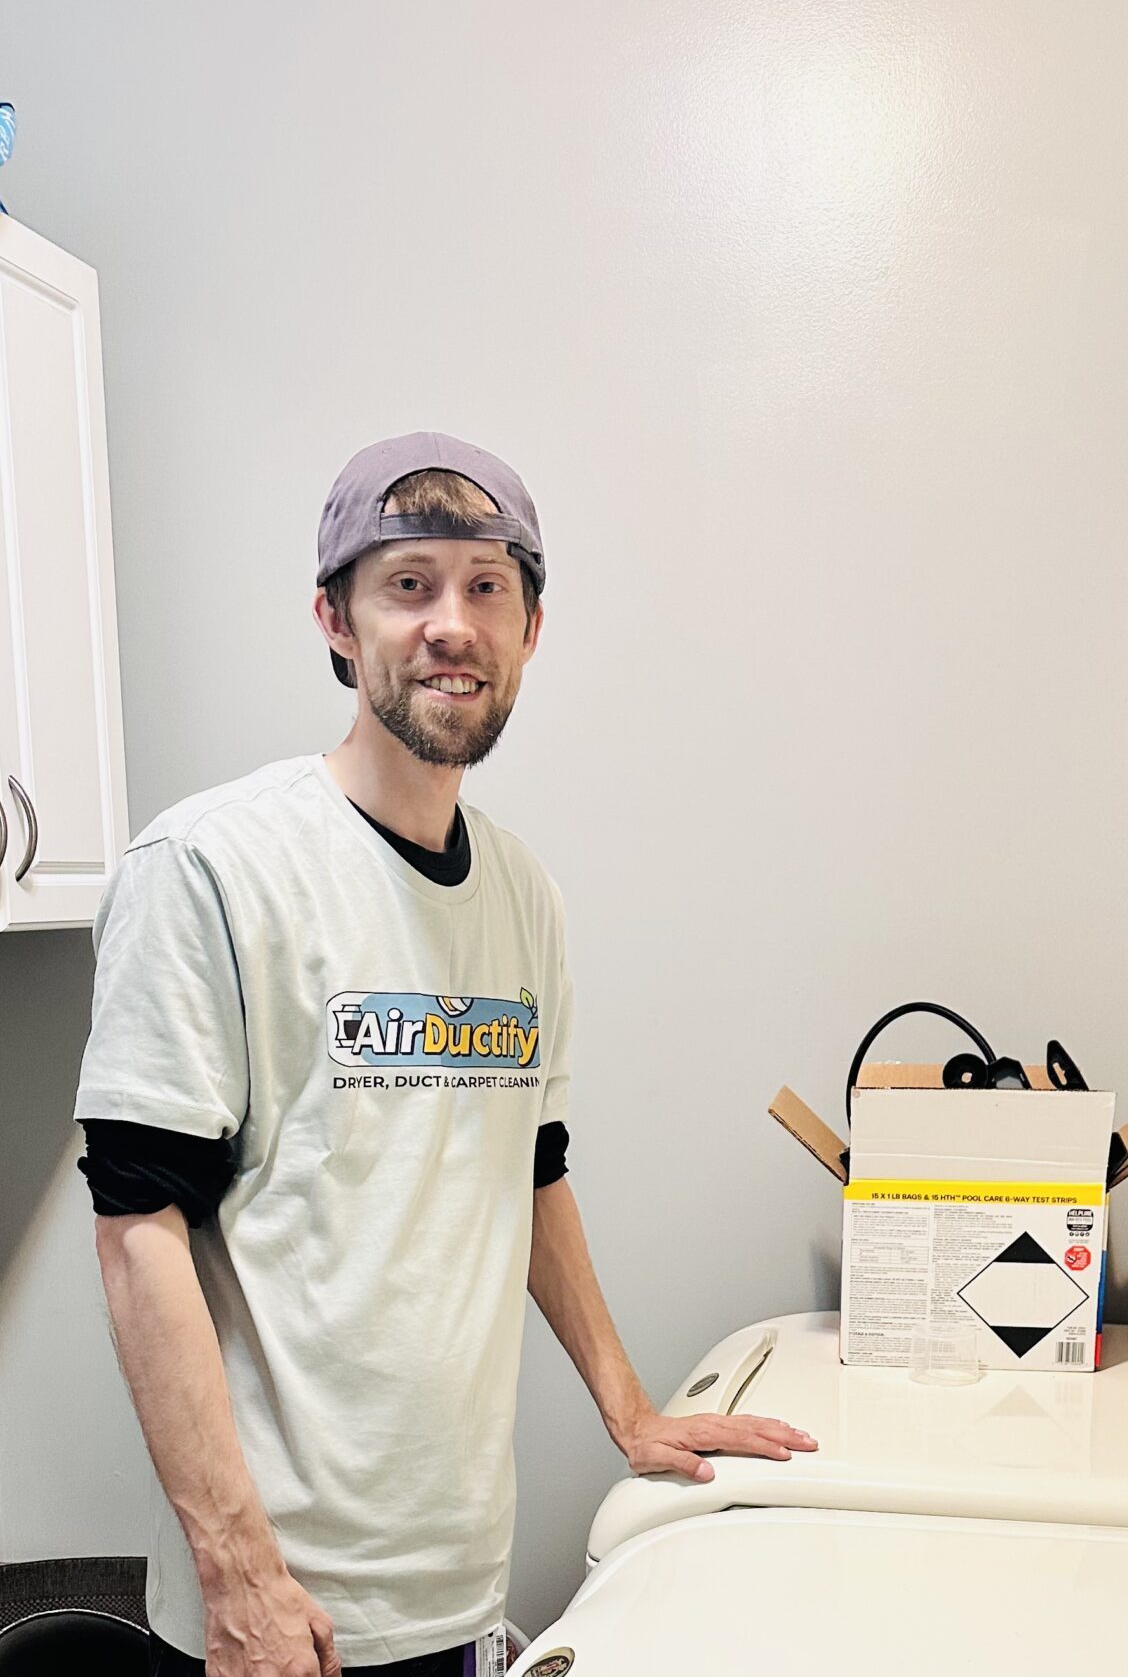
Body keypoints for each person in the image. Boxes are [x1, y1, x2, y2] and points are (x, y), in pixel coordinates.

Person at [74, 432, 817, 1677]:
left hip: (460, 1576)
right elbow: (135, 1226)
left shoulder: (523, 893)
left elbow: (530, 1168)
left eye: (486, 587)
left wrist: (628, 1407)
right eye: (407, 584)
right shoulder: (209, 866)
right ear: (335, 618)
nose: (450, 625)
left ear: (531, 630)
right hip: (281, 1611)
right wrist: (239, 1572)